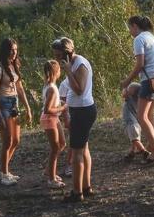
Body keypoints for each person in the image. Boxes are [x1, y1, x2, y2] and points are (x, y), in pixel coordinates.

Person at [52, 37, 97, 203]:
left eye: (59, 56)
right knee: (84, 150)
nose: (57, 59)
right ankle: (86, 187)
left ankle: (77, 193)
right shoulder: (73, 63)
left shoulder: (80, 64)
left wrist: (68, 70)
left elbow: (79, 90)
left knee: (77, 152)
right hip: (79, 110)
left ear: (68, 54)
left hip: (83, 111)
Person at [120, 16, 154, 163]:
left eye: (129, 28)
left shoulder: (139, 39)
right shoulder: (153, 37)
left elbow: (140, 64)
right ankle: (152, 148)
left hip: (149, 80)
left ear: (134, 26)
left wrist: (127, 80)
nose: (129, 31)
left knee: (142, 116)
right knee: (150, 115)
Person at [0, 38, 32, 186]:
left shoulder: (15, 65)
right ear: (5, 50)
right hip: (4, 104)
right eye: (11, 50)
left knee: (16, 140)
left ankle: (3, 171)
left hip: (15, 104)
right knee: (7, 140)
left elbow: (20, 89)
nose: (14, 53)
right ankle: (4, 174)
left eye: (16, 50)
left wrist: (27, 107)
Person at [40, 60, 68, 189]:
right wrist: (62, 109)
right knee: (55, 148)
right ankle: (51, 179)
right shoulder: (51, 88)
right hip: (49, 119)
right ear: (56, 72)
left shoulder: (51, 86)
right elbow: (47, 109)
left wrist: (59, 105)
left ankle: (48, 171)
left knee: (62, 144)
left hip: (54, 119)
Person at [121, 82, 150, 161]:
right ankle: (132, 152)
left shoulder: (129, 98)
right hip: (136, 123)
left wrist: (124, 86)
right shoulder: (139, 100)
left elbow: (123, 94)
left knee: (134, 139)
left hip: (131, 122)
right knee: (134, 138)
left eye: (128, 90)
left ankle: (144, 151)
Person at [58, 77, 73, 177]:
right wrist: (66, 118)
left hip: (80, 112)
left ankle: (75, 163)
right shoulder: (64, 84)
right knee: (72, 141)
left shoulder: (80, 78)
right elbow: (61, 102)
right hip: (70, 114)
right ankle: (68, 165)